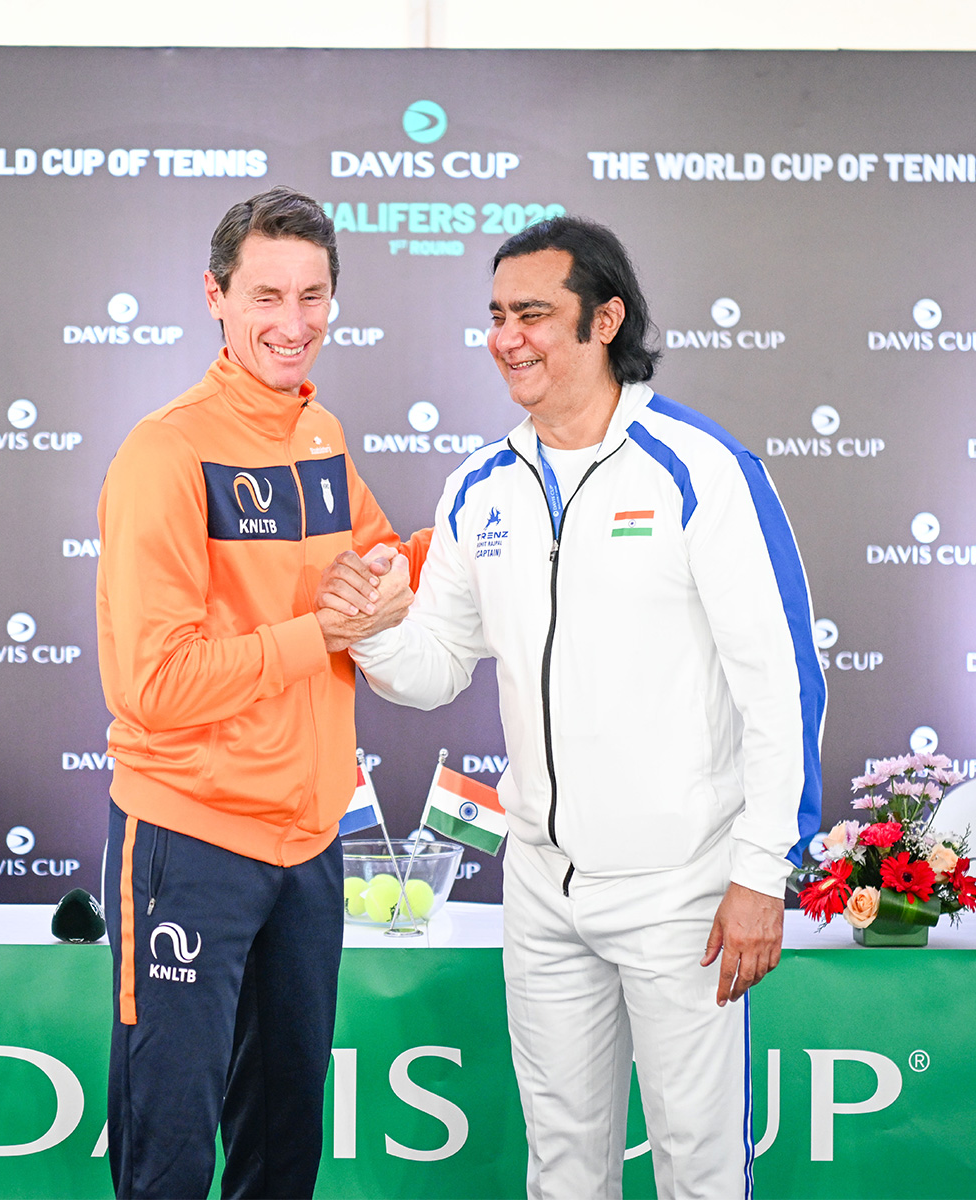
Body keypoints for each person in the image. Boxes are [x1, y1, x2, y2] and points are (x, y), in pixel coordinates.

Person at [331, 216, 824, 1198]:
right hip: (542, 888)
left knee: (699, 1168)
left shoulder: (699, 469)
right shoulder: (480, 485)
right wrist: (369, 625)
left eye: (533, 315)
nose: (507, 338)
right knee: (561, 1170)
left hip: (682, 891)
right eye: (496, 317)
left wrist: (760, 872)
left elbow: (781, 684)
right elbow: (431, 668)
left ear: (605, 320)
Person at [95, 186, 426, 1200]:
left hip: (309, 843)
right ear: (216, 296)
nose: (293, 323)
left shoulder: (320, 432)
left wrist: (412, 567)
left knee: (286, 1146)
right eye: (267, 295)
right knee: (172, 1148)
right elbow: (151, 685)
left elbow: (387, 557)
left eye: (314, 295)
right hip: (190, 842)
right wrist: (315, 631)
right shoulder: (167, 451)